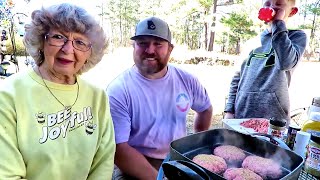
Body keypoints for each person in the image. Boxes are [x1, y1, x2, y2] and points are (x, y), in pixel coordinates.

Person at [0, 3, 115, 179]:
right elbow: (7, 174)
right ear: (41, 41)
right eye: (58, 37)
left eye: (79, 42)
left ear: (89, 53)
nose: (68, 49)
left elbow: (103, 163)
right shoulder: (8, 95)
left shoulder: (97, 96)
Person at [107, 16, 213, 179]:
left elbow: (205, 108)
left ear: (170, 49)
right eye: (142, 43)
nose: (150, 50)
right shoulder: (119, 90)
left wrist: (196, 144)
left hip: (178, 159)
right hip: (137, 163)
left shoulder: (186, 80)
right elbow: (119, 149)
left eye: (158, 44)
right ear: (133, 46)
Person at [224, 0, 307, 125]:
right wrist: (229, 110)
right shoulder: (251, 42)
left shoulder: (296, 37)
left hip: (273, 118)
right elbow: (237, 77)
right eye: (267, 3)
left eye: (278, 4)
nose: (272, 6)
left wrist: (278, 23)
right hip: (242, 113)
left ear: (292, 11)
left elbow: (286, 62)